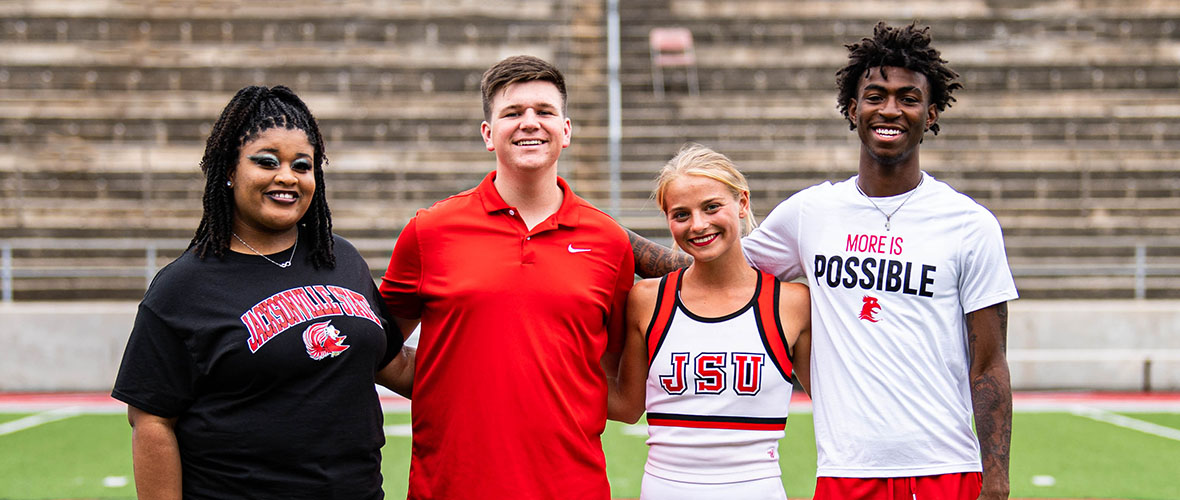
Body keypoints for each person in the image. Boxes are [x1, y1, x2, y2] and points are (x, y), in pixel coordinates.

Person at [629, 22, 1017, 500]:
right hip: (845, 469)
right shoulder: (811, 212)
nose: (890, 109)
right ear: (853, 110)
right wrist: (603, 234)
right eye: (875, 96)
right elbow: (712, 270)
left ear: (932, 112)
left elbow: (989, 365)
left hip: (946, 465)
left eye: (908, 98)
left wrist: (996, 482)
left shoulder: (969, 223)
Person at [111, 85, 407, 499]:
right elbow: (152, 421)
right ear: (230, 170)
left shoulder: (340, 258)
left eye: (302, 166)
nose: (287, 176)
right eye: (267, 162)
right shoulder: (183, 286)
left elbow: (393, 363)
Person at [378, 55, 635, 499]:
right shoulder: (429, 231)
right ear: (488, 133)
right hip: (451, 486)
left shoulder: (609, 241)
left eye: (544, 112)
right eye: (512, 113)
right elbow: (380, 349)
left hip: (571, 488)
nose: (529, 123)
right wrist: (455, 381)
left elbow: (618, 388)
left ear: (567, 130)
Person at [609, 144, 811, 499]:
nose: (698, 224)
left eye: (712, 207)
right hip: (664, 488)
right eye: (681, 214)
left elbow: (833, 403)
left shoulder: (791, 303)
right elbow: (627, 406)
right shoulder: (647, 300)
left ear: (743, 203)